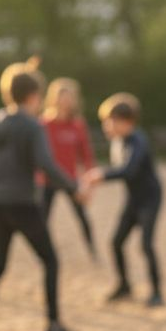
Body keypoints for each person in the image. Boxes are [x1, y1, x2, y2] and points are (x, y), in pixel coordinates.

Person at [0, 60, 82, 331]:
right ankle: (53, 325)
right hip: (23, 203)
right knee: (51, 260)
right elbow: (46, 163)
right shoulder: (32, 126)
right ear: (33, 96)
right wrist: (72, 186)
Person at [83, 93, 165, 307]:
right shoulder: (118, 142)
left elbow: (128, 171)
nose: (106, 127)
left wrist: (101, 175)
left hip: (150, 199)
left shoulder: (138, 141)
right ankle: (124, 285)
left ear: (126, 121)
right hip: (133, 199)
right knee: (116, 242)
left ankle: (157, 292)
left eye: (109, 122)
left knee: (146, 245)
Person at [41, 76, 99, 260]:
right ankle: (44, 253)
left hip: (70, 179)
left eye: (69, 96)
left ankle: (92, 251)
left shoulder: (77, 125)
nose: (65, 101)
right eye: (62, 96)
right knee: (42, 219)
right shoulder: (43, 124)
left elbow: (87, 156)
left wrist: (89, 182)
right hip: (47, 180)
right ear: (53, 98)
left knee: (82, 217)